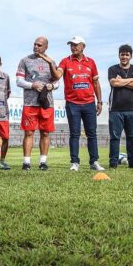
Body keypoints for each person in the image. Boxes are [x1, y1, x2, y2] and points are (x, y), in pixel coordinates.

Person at [56, 36, 105, 171]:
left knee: (92, 134)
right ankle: (75, 162)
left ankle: (94, 162)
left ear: (83, 46)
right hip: (72, 103)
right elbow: (58, 74)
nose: (73, 47)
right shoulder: (65, 61)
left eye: (76, 45)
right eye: (71, 45)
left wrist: (99, 101)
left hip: (89, 103)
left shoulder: (91, 62)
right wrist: (52, 65)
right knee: (74, 133)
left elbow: (95, 83)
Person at [16, 37, 59, 170]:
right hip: (30, 102)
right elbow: (19, 81)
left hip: (47, 104)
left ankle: (43, 162)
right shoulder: (25, 60)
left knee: (45, 133)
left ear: (46, 47)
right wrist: (32, 85)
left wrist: (52, 87)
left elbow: (57, 81)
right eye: (35, 44)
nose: (36, 47)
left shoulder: (51, 62)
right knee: (29, 133)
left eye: (39, 45)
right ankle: (26, 163)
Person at [107, 44, 133, 168]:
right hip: (115, 109)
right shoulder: (112, 69)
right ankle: (113, 162)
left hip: (132, 109)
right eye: (122, 54)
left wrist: (122, 81)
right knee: (115, 137)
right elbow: (114, 83)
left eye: (127, 54)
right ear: (119, 55)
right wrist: (131, 80)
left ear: (131, 56)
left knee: (132, 137)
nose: (124, 56)